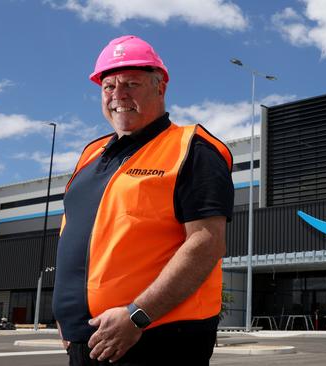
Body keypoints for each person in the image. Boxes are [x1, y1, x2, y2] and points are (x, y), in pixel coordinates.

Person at [52, 35, 234, 365]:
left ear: (160, 87)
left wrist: (138, 315)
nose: (118, 95)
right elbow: (73, 237)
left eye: (131, 84)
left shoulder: (192, 149)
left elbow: (207, 242)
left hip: (159, 340)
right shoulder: (90, 155)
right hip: (88, 341)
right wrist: (67, 318)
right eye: (109, 86)